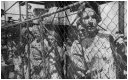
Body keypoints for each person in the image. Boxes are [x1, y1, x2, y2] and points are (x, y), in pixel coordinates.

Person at [67, 2, 117, 79]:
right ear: (81, 21)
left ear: (98, 19)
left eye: (93, 17)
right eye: (86, 18)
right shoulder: (78, 45)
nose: (90, 21)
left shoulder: (108, 36)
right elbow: (79, 73)